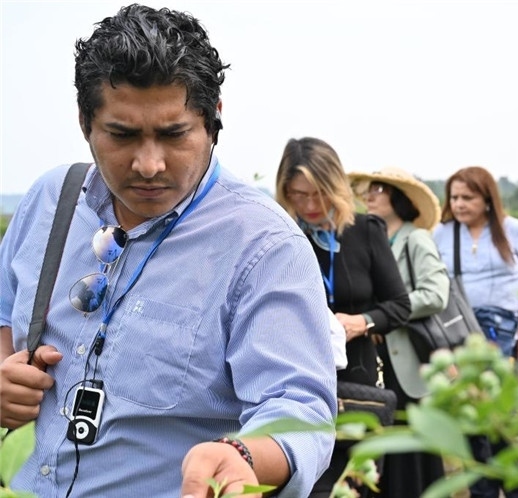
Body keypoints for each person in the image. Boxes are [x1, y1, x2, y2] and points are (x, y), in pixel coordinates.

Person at [0, 5, 336, 498]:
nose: (149, 164)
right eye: (122, 135)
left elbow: (300, 409)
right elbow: (4, 311)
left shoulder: (264, 247)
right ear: (85, 122)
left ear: (213, 119)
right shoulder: (50, 200)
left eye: (173, 134)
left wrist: (243, 456)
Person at [275, 138, 411, 497]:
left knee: (353, 483)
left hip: (357, 382)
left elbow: (399, 305)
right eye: (298, 194)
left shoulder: (365, 231)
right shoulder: (282, 239)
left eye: (318, 194)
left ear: (335, 187)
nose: (309, 205)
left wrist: (361, 322)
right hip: (298, 381)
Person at [433, 166, 518, 498]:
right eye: (454, 197)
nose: (459, 204)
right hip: (461, 334)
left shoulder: (513, 230)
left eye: (467, 197)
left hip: (503, 333)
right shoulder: (442, 234)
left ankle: (515, 491)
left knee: (500, 419)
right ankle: (483, 492)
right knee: (469, 418)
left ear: (487, 199)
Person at [349, 167, 450, 497]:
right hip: (376, 358)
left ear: (401, 199)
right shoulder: (370, 237)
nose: (370, 195)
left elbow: (435, 293)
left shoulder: (415, 238)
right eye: (369, 189)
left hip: (406, 356)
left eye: (380, 189)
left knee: (413, 444)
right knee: (387, 442)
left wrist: (385, 315)